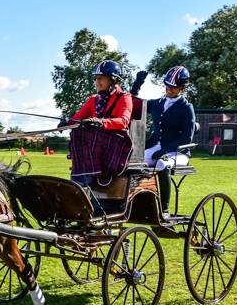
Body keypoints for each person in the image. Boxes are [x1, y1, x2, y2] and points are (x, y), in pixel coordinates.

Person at [62, 60, 133, 186]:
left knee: (89, 133)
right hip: (97, 141)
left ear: (112, 80)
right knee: (77, 131)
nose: (97, 82)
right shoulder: (94, 99)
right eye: (96, 78)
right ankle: (80, 179)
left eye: (101, 78)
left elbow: (123, 121)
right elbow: (77, 119)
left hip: (117, 142)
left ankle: (89, 178)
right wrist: (67, 123)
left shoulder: (124, 97)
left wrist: (101, 122)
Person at [142, 65, 196, 217]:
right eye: (168, 86)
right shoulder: (157, 103)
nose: (169, 89)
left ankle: (164, 210)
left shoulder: (186, 108)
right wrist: (137, 85)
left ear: (182, 88)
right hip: (156, 147)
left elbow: (187, 137)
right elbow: (134, 104)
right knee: (133, 162)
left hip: (178, 151)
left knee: (162, 164)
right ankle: (141, 202)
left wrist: (165, 151)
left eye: (174, 87)